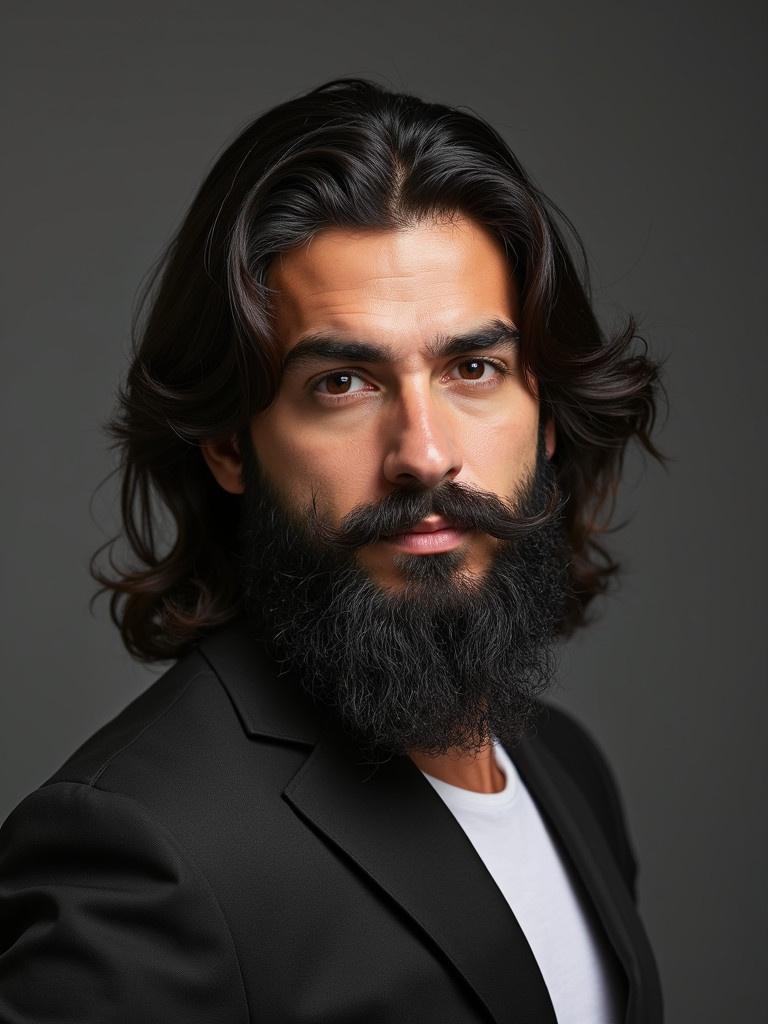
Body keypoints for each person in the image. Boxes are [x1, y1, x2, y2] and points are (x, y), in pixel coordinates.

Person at [0, 78, 666, 1023]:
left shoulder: (567, 771)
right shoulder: (141, 857)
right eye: (345, 382)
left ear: (546, 413)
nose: (424, 453)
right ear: (231, 443)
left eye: (473, 369)